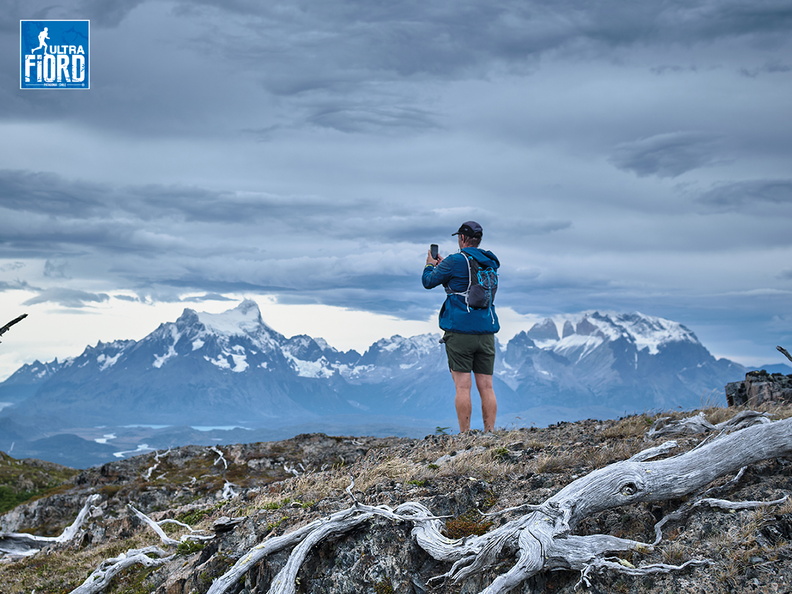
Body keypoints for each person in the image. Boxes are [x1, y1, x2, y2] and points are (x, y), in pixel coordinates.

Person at [422, 221, 500, 432]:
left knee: (462, 386)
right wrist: (447, 265)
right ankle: (490, 433)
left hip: (460, 331)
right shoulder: (490, 262)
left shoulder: (456, 261)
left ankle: (465, 435)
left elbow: (428, 281)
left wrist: (430, 264)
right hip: (486, 330)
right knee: (487, 386)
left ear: (462, 238)